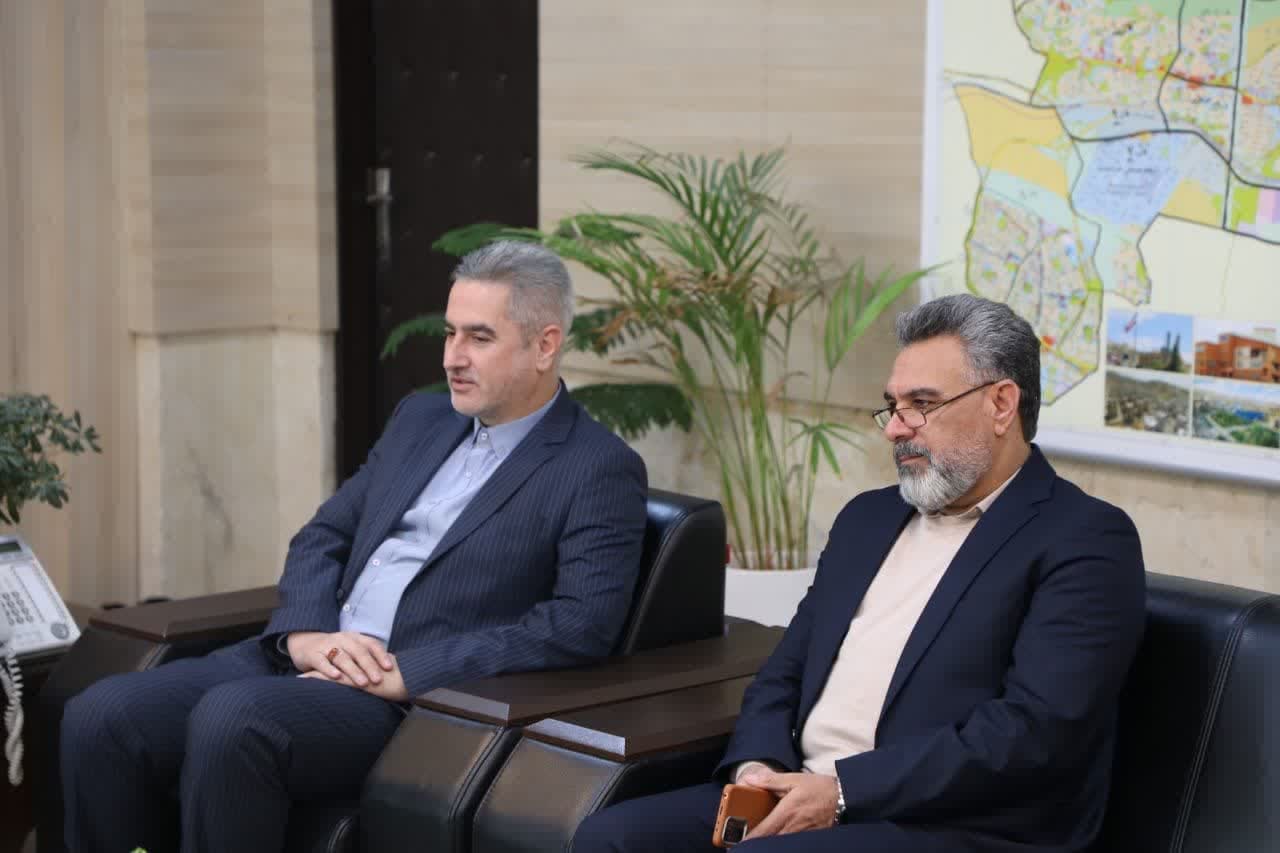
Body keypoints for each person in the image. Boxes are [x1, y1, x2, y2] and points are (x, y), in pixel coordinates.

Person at [60, 241, 649, 853]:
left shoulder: (596, 467)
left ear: (545, 345)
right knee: (100, 716)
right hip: (310, 653)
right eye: (449, 333)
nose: (453, 357)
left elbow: (579, 625)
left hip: (406, 700)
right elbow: (324, 535)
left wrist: (408, 672)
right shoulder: (421, 419)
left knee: (234, 719)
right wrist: (305, 635)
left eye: (479, 338)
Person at [574, 294, 1146, 853]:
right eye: (892, 406)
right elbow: (784, 672)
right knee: (609, 838)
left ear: (1001, 404)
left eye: (922, 403)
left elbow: (1033, 733)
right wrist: (758, 769)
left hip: (950, 823)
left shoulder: (1084, 537)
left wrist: (844, 793)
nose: (895, 428)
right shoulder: (866, 519)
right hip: (803, 791)